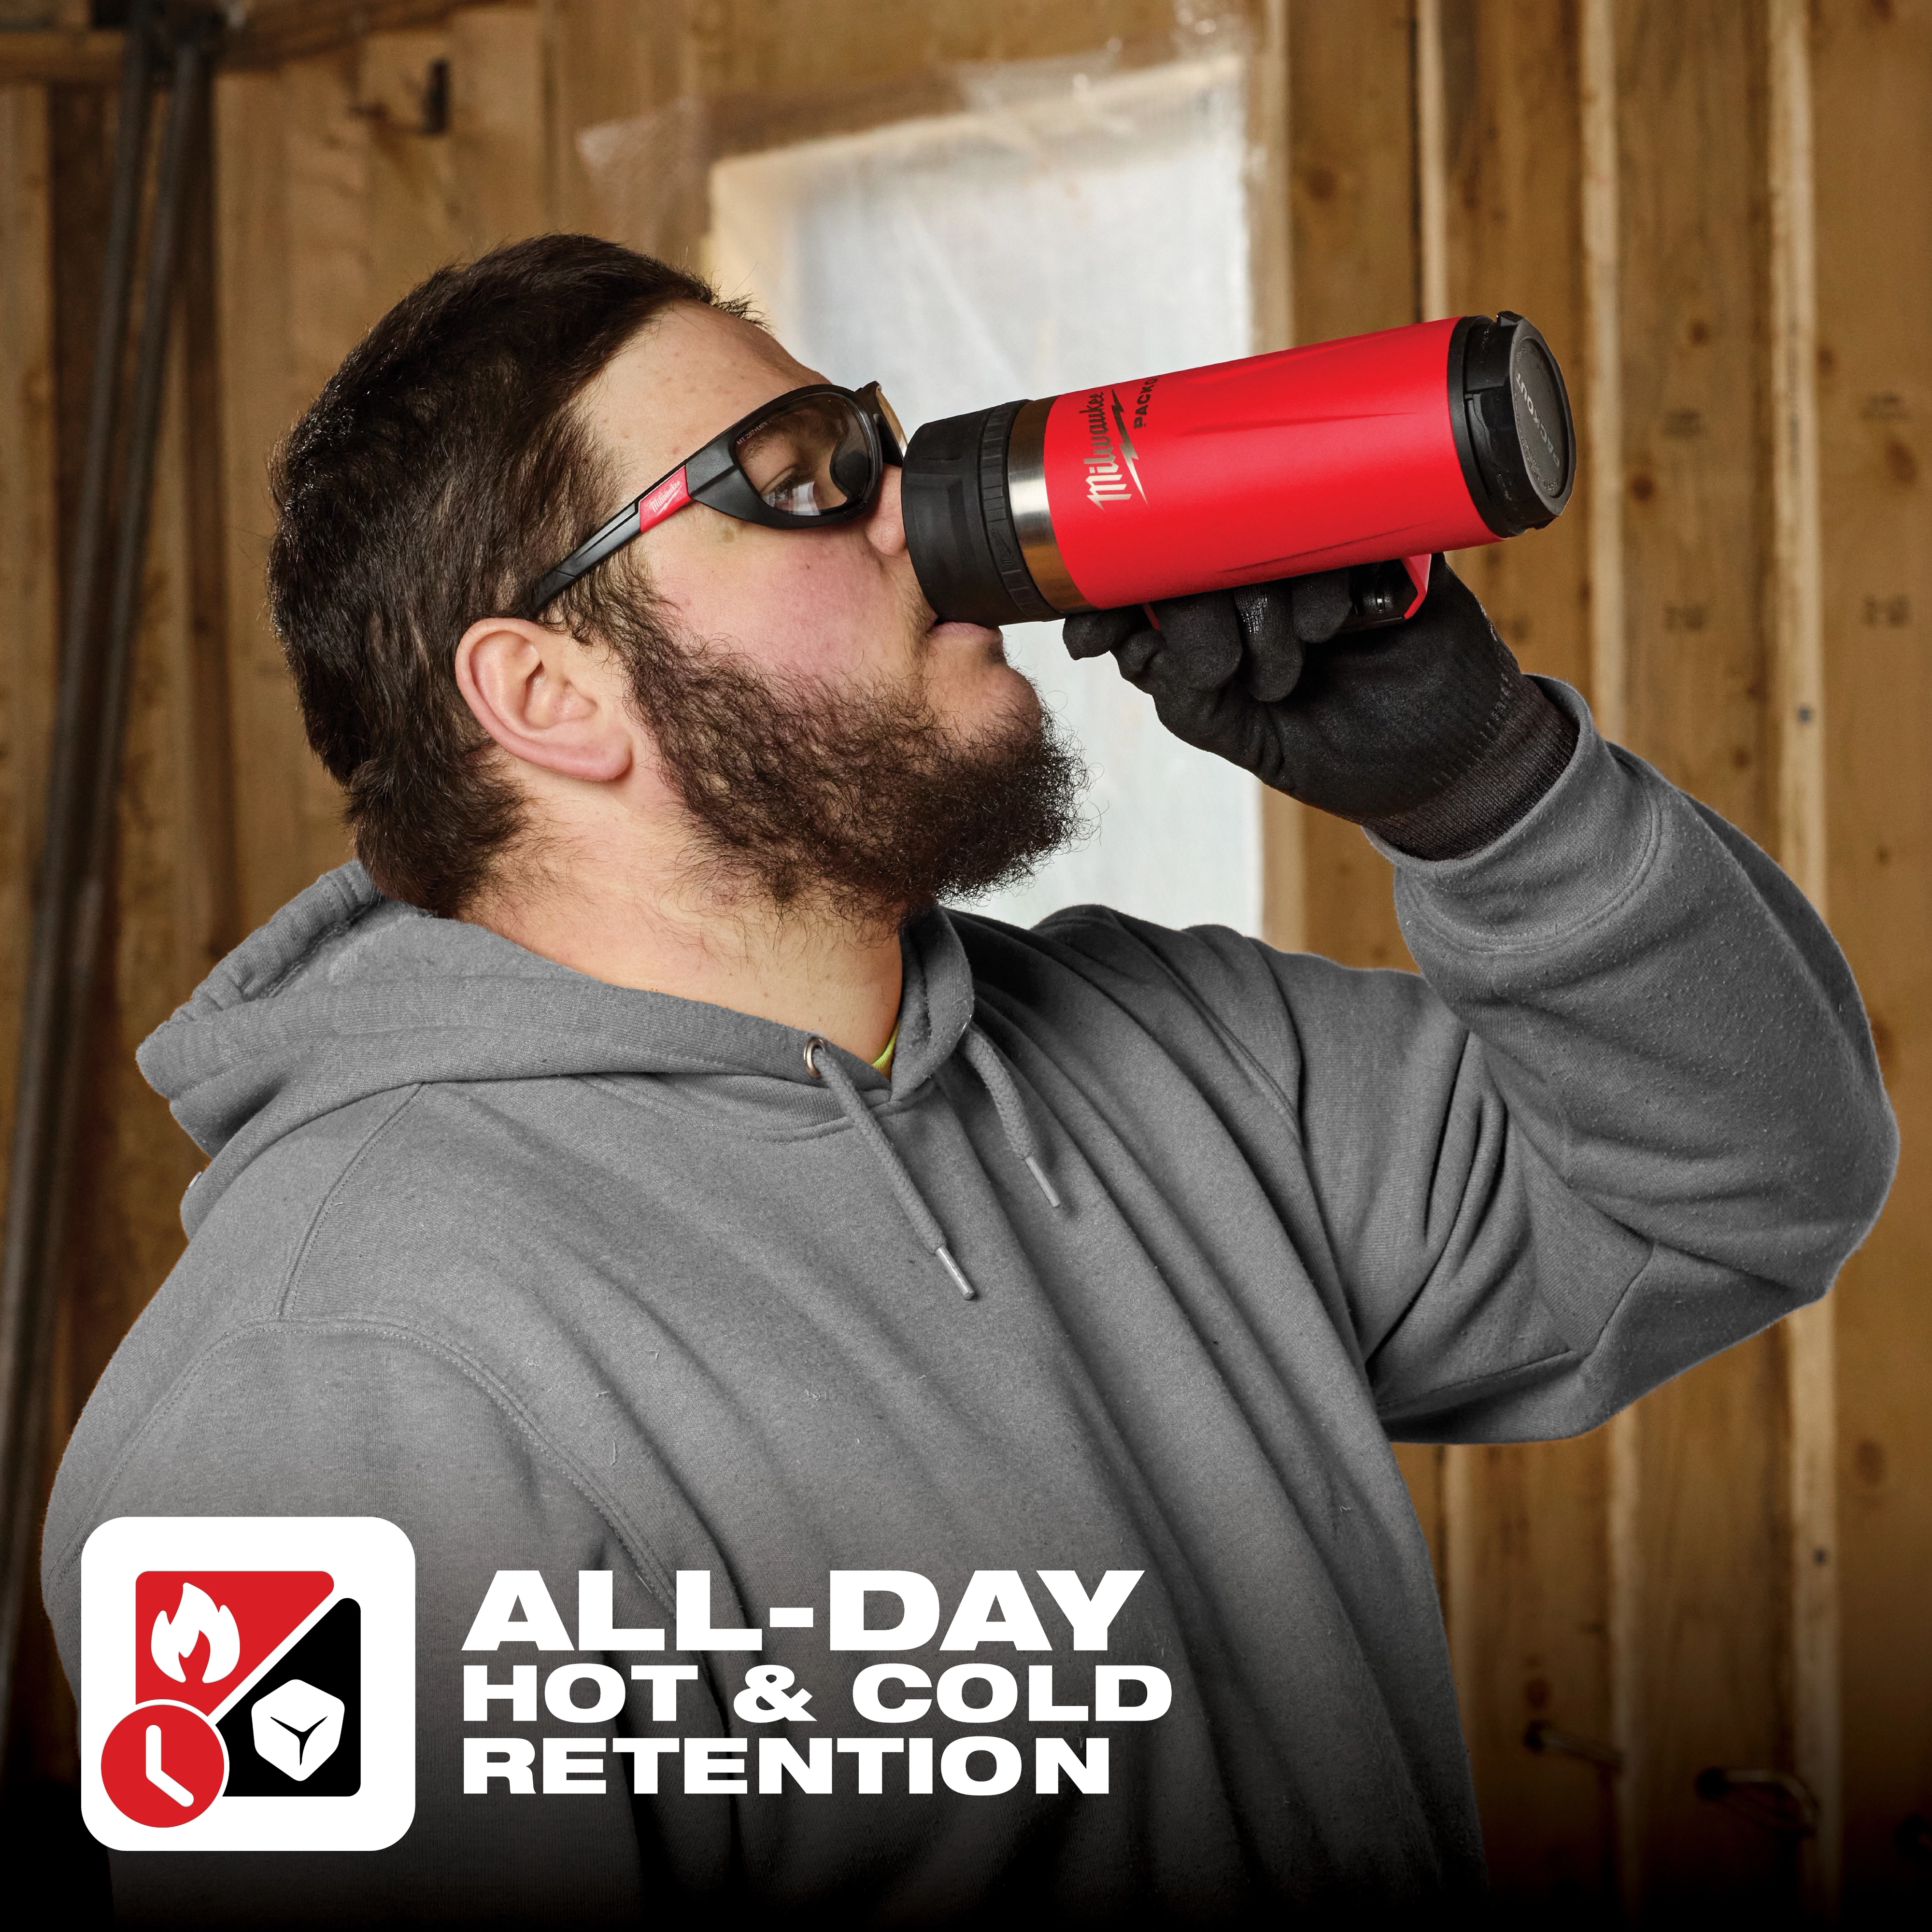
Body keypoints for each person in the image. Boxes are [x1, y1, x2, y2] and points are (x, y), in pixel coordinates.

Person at [43, 236, 1894, 1928]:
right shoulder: (323, 1397)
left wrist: (1487, 794)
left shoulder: (1168, 1063)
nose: (916, 515)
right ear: (548, 693)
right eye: (797, 482)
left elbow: (1741, 1184)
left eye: (879, 443)